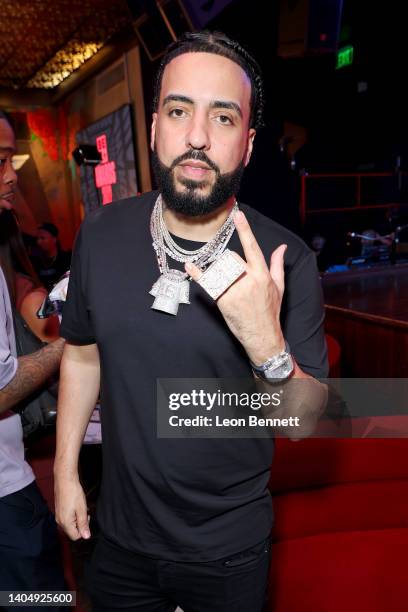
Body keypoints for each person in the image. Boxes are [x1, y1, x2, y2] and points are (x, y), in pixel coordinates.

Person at [55, 31, 328, 611]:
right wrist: (64, 471)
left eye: (224, 118)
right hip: (118, 539)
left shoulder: (288, 262)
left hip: (228, 552)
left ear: (248, 145)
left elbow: (306, 423)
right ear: (155, 127)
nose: (198, 137)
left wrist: (266, 344)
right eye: (180, 111)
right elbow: (81, 353)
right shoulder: (100, 235)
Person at [0, 109, 65, 604]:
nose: (12, 173)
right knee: (43, 599)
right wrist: (73, 342)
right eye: (1, 159)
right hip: (6, 498)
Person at [32, 222, 71, 291]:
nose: (38, 242)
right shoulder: (35, 261)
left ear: (54, 239)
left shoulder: (66, 259)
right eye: (37, 238)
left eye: (42, 238)